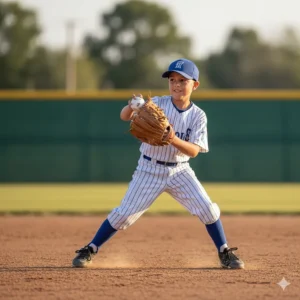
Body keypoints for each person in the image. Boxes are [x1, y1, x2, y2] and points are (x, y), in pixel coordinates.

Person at [72, 58, 245, 269]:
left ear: (195, 85)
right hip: (149, 168)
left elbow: (193, 151)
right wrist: (130, 106)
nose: (176, 84)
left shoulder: (198, 116)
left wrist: (172, 138)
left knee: (208, 209)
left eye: (183, 80)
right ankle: (90, 248)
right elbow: (124, 117)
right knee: (124, 214)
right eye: (172, 80)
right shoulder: (158, 104)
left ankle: (224, 251)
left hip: (180, 170)